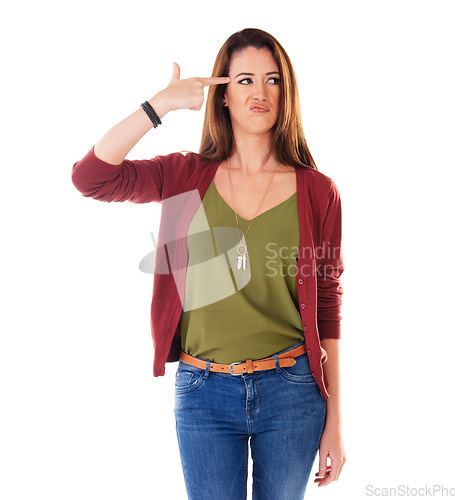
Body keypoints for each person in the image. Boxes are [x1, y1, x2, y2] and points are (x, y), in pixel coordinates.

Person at [72, 27, 346, 500]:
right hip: (204, 392)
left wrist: (336, 421)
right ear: (222, 94)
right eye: (244, 80)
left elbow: (327, 306)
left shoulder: (317, 190)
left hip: (293, 390)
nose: (259, 92)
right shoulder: (185, 177)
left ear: (287, 92)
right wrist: (159, 105)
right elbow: (91, 178)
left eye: (272, 79)